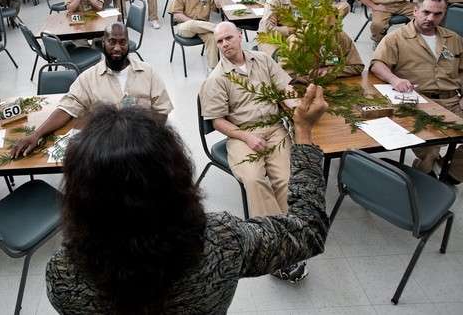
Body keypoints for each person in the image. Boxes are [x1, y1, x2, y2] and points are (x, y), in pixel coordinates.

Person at [46, 81, 329, 312]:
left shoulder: (63, 274)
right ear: (178, 176)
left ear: (79, 195)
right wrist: (303, 132)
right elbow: (308, 231)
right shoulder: (222, 240)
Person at [198, 22, 312, 282]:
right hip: (241, 134)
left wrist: (296, 108)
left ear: (240, 36)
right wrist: (246, 137)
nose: (225, 44)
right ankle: (276, 247)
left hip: (273, 129)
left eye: (229, 38)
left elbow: (284, 89)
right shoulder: (216, 79)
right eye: (219, 41)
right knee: (254, 180)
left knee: (285, 179)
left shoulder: (262, 59)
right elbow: (218, 121)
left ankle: (290, 239)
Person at [10, 22, 173, 158]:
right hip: (105, 150)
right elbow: (67, 108)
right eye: (112, 42)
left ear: (128, 44)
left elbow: (162, 110)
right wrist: (36, 134)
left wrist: (145, 137)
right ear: (103, 43)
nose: (117, 48)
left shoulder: (148, 73)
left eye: (122, 42)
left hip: (141, 147)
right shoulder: (88, 78)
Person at [370, 0, 463, 185]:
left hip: (452, 100)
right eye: (426, 12)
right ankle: (426, 171)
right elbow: (377, 64)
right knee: (430, 148)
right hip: (418, 102)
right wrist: (395, 80)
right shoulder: (396, 38)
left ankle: (451, 173)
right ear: (415, 11)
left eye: (437, 14)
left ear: (443, 15)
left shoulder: (453, 39)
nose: (430, 18)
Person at [258, 0, 362, 77]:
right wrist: (291, 30)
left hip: (304, 36)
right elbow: (267, 28)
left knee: (317, 55)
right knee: (282, 60)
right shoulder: (276, 0)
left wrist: (328, 18)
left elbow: (339, 7)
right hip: (273, 38)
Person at [169, 0, 226, 71]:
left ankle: (213, 70)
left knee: (213, 37)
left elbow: (220, 5)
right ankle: (222, 29)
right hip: (185, 26)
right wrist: (193, 22)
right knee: (193, 24)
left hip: (203, 28)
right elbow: (176, 14)